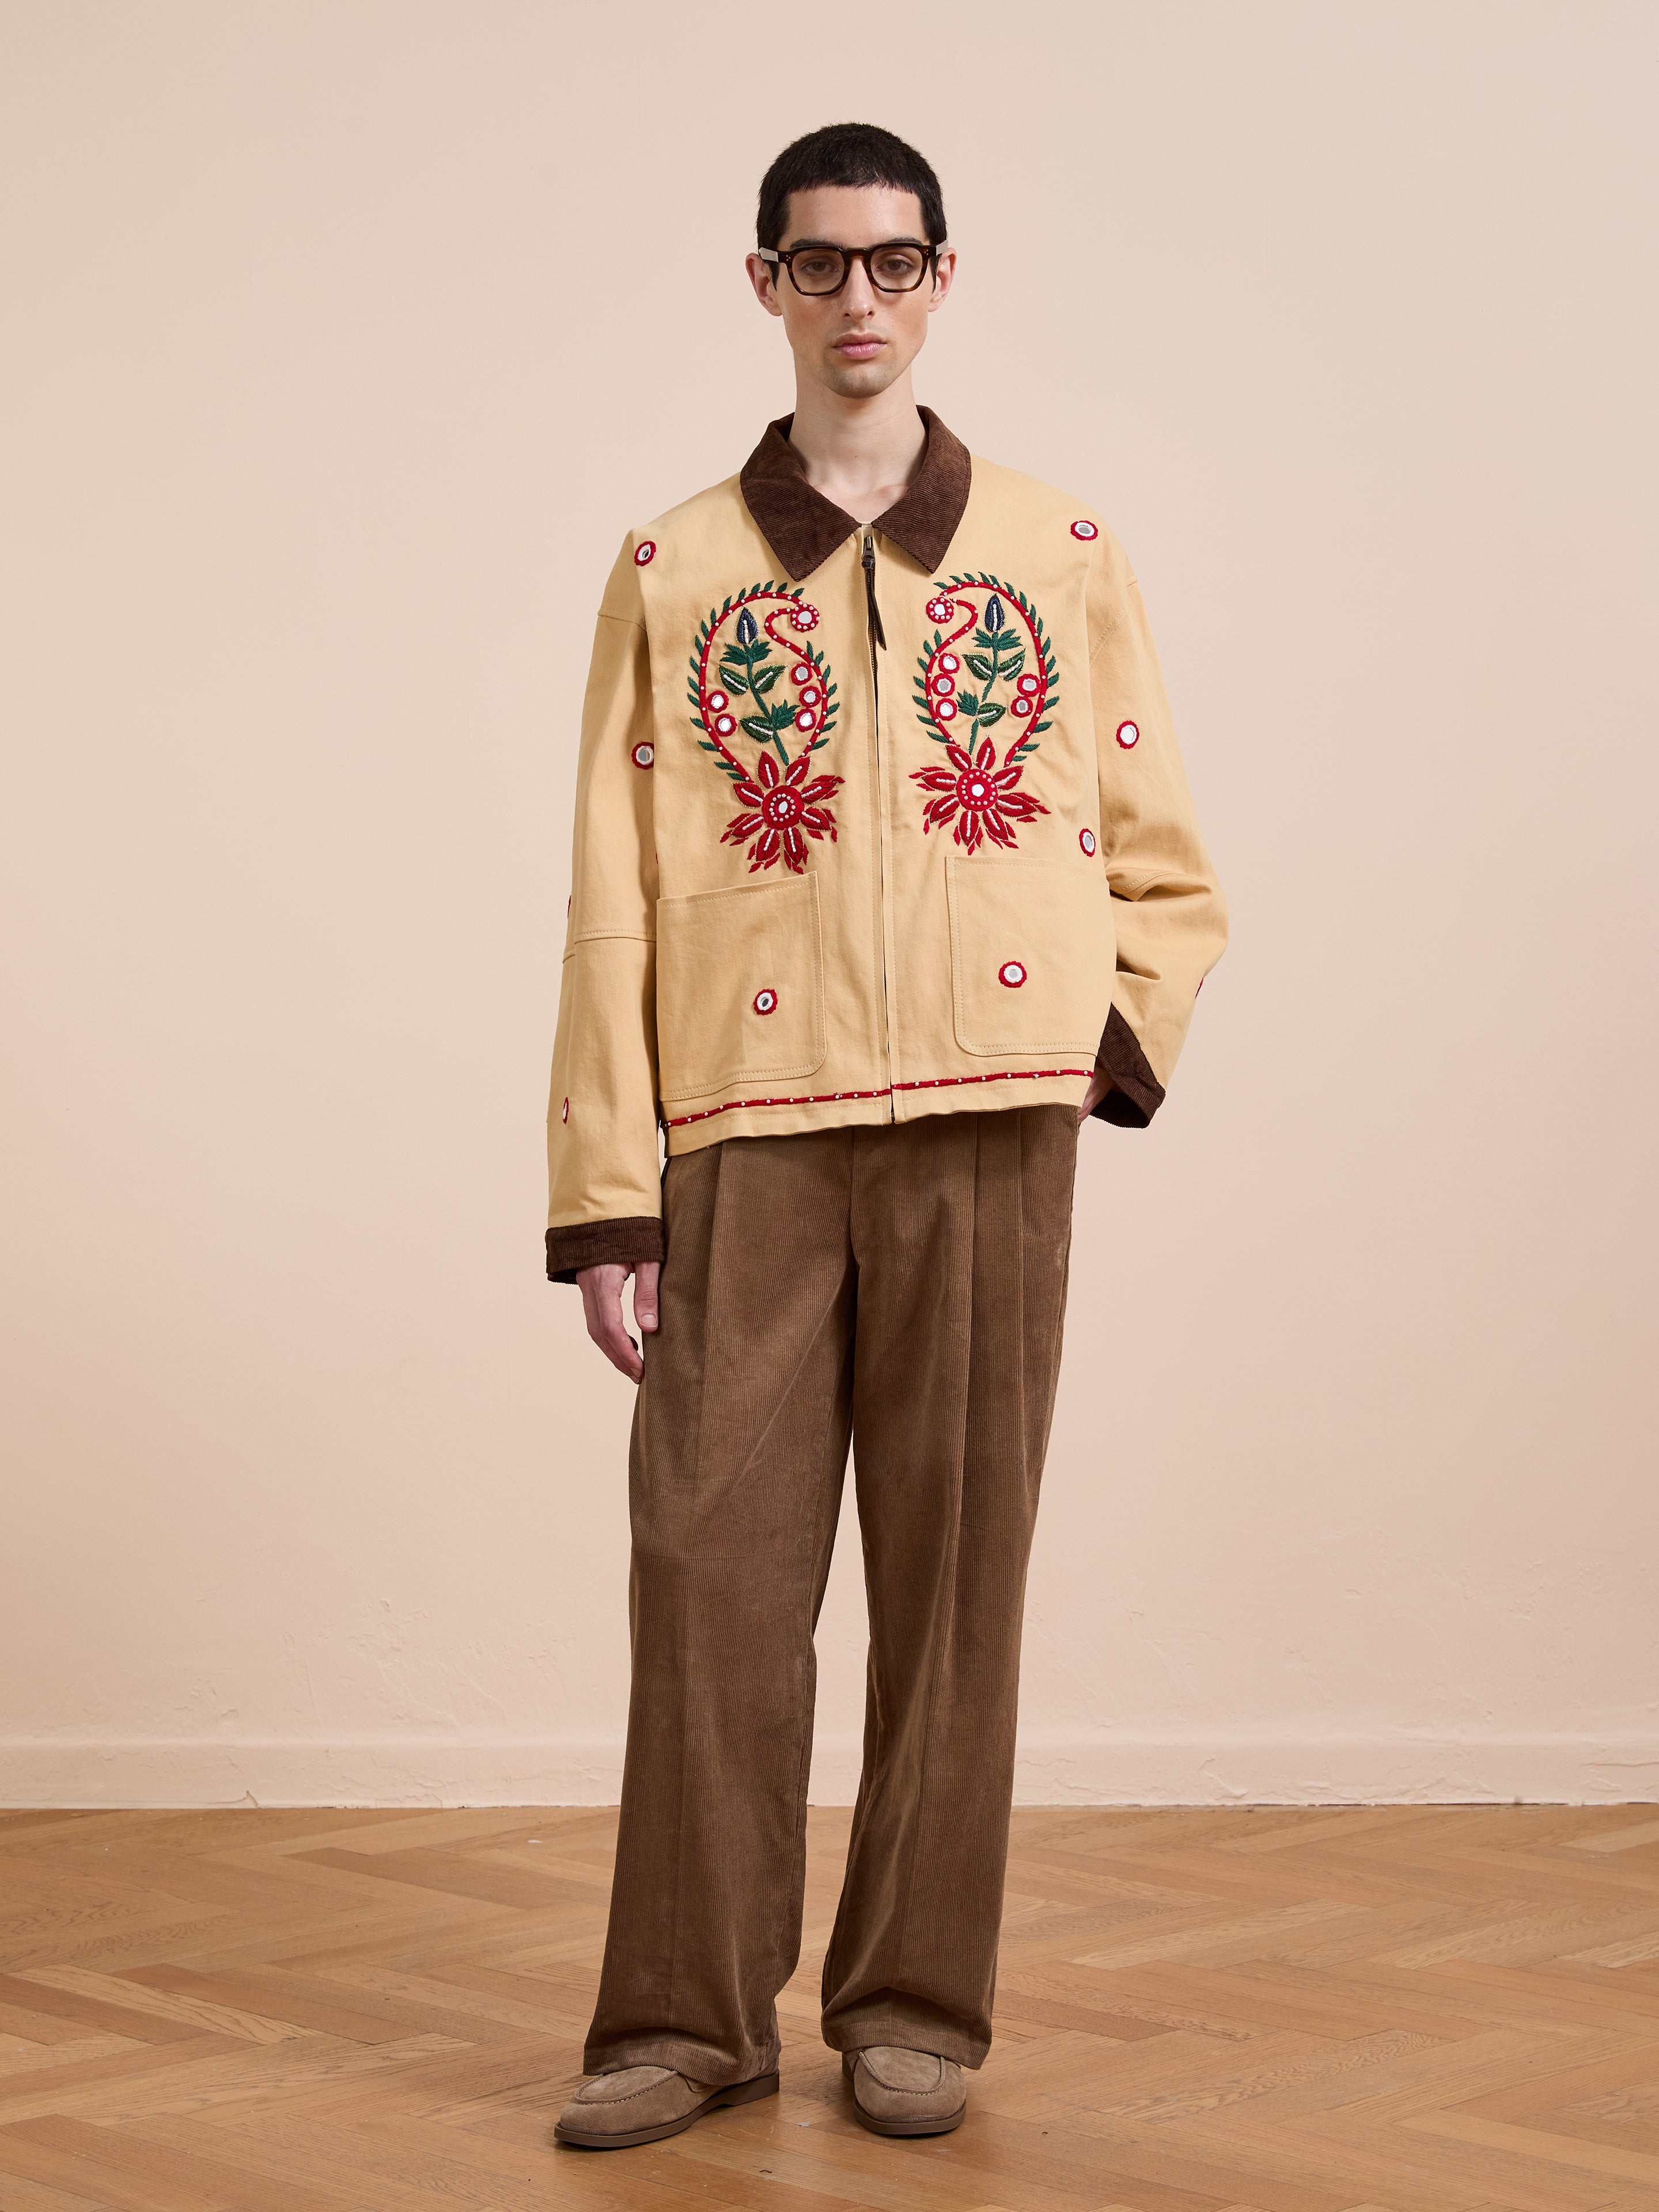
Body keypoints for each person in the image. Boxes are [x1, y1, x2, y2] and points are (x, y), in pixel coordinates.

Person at [546, 122, 1226, 2152]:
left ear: (943, 279)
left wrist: (1088, 1041)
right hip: (742, 1131)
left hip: (989, 1136)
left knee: (957, 1585)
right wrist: (605, 1197)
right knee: (709, 1582)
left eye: (894, 263)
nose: (859, 301)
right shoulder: (673, 570)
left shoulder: (1058, 549)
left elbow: (1168, 864)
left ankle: (917, 1999)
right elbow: (610, 893)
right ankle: (686, 2016)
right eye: (820, 265)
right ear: (764, 282)